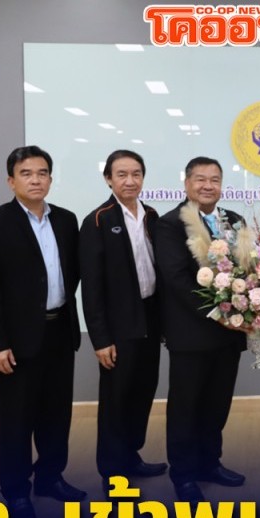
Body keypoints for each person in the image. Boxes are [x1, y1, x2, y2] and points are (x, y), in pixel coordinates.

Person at [0, 146, 84, 518]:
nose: (35, 180)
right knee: (16, 420)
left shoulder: (66, 220)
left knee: (57, 415)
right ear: (11, 181)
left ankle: (51, 477)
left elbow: (72, 275)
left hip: (59, 332)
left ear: (50, 179)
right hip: (16, 341)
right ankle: (16, 491)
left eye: (42, 173)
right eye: (26, 173)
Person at [153, 157, 250, 502]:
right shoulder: (169, 224)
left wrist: (247, 305)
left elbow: (247, 268)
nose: (208, 186)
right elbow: (177, 279)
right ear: (187, 184)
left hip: (229, 333)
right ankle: (183, 474)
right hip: (190, 332)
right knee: (186, 406)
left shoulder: (234, 220)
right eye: (200, 179)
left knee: (217, 403)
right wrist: (217, 312)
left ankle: (210, 463)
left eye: (214, 179)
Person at [79, 149, 168, 491]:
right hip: (118, 326)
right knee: (116, 399)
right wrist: (101, 339)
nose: (130, 181)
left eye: (136, 174)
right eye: (122, 174)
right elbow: (91, 287)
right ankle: (113, 472)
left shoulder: (152, 216)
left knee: (143, 390)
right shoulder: (98, 220)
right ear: (108, 179)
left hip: (150, 318)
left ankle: (132, 455)